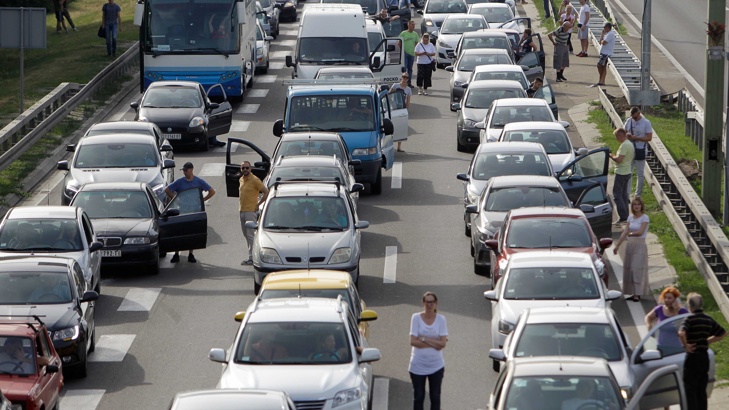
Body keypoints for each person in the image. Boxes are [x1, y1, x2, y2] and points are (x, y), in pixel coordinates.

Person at [678, 293, 727, 410]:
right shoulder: (707, 319)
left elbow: (681, 333)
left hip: (692, 357)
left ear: (689, 305)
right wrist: (707, 341)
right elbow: (723, 333)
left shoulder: (689, 319)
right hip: (704, 358)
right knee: (701, 389)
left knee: (690, 390)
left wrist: (686, 346)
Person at [165, 162, 216, 263]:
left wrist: (203, 200)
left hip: (195, 210)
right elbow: (167, 189)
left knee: (192, 232)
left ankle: (191, 254)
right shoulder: (179, 182)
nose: (184, 172)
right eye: (183, 170)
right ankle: (176, 253)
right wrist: (175, 199)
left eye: (185, 170)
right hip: (181, 210)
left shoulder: (199, 181)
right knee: (179, 232)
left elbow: (212, 191)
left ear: (191, 170)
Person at [409, 291, 448, 410]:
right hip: (418, 366)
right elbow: (413, 341)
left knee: (435, 397)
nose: (429, 305)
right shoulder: (416, 318)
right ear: (423, 303)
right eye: (427, 302)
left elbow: (442, 344)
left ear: (436, 304)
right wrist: (434, 343)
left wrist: (424, 339)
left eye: (432, 302)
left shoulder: (441, 320)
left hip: (436, 366)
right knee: (419, 397)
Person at [613, 197, 650, 302]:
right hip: (630, 245)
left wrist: (631, 234)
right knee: (629, 269)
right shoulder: (630, 218)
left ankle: (638, 293)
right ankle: (633, 293)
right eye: (634, 204)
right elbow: (625, 232)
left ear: (641, 206)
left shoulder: (645, 218)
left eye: (638, 204)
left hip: (640, 245)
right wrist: (617, 246)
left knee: (635, 268)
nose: (636, 206)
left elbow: (640, 232)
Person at [239, 161, 269, 265]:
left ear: (250, 168)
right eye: (243, 168)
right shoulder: (241, 179)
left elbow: (266, 192)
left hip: (251, 211)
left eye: (247, 168)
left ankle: (253, 257)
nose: (245, 170)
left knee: (250, 235)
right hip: (242, 210)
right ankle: (252, 255)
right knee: (246, 235)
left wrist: (259, 204)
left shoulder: (255, 180)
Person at [645, 287, 689, 353]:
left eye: (669, 298)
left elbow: (679, 329)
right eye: (665, 297)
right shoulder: (659, 309)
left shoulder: (683, 312)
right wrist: (649, 325)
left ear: (675, 299)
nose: (666, 300)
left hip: (677, 348)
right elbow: (648, 317)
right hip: (661, 347)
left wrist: (675, 311)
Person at [625, 106, 653, 197]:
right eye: (632, 117)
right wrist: (627, 135)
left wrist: (636, 138)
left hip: (640, 150)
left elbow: (649, 137)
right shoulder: (629, 121)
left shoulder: (646, 123)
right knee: (628, 172)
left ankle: (638, 194)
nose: (634, 119)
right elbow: (624, 132)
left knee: (639, 173)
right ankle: (627, 194)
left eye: (635, 117)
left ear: (639, 113)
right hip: (630, 150)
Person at [609, 128, 634, 224]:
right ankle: (626, 215)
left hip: (621, 172)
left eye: (616, 136)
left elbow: (619, 160)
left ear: (620, 135)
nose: (616, 139)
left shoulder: (624, 145)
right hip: (627, 171)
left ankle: (623, 216)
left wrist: (611, 156)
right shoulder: (630, 144)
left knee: (617, 194)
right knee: (624, 195)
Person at [390, 73, 411, 152]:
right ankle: (391, 145)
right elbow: (389, 94)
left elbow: (408, 101)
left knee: (400, 126)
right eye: (404, 77)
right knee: (392, 127)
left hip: (401, 108)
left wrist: (405, 110)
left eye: (406, 77)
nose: (405, 79)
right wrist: (391, 103)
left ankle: (399, 147)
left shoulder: (408, 89)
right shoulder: (395, 85)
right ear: (401, 77)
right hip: (393, 108)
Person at [591, 22, 615, 87]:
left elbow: (603, 42)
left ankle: (602, 80)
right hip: (603, 52)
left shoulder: (611, 34)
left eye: (604, 27)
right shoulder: (607, 34)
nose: (604, 29)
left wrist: (602, 41)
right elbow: (600, 42)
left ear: (607, 27)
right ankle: (601, 80)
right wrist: (602, 34)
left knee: (600, 65)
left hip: (606, 53)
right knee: (601, 66)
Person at [399, 20, 419, 87]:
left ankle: (409, 83)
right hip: (405, 53)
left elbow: (416, 43)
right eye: (412, 25)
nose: (413, 26)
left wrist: (415, 51)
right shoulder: (403, 33)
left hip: (412, 54)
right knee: (404, 68)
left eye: (414, 25)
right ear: (408, 25)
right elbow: (399, 42)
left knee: (410, 69)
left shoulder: (415, 34)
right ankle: (403, 82)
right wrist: (402, 50)